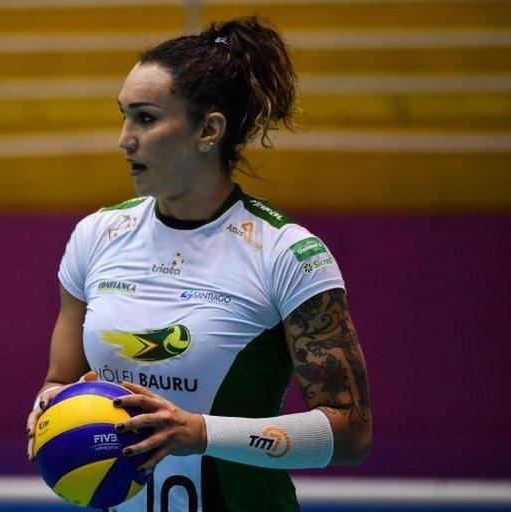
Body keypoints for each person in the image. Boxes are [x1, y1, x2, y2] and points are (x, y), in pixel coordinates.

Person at [26, 16, 371, 511]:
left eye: (145, 118)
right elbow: (59, 380)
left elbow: (350, 432)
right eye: (123, 116)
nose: (124, 138)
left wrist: (200, 432)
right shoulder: (96, 236)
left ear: (209, 129)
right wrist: (51, 407)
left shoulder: (286, 253)